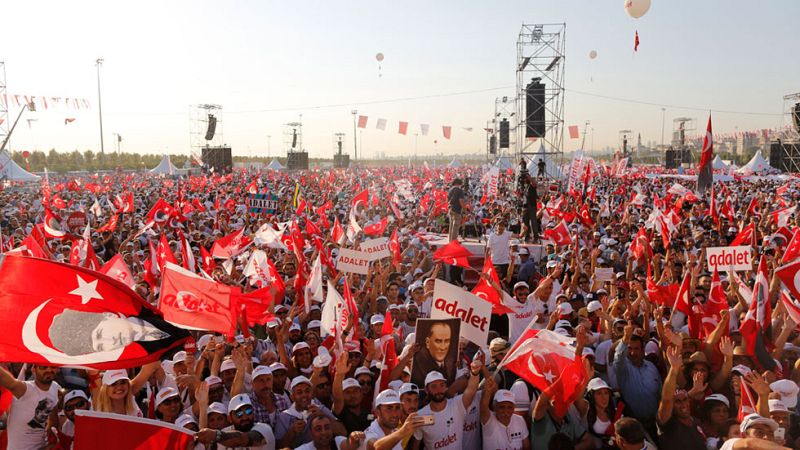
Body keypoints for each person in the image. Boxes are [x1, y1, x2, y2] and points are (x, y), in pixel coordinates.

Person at [410, 357, 483, 450]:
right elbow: (416, 445)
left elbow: (471, 390)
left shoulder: (457, 405)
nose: (439, 390)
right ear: (426, 390)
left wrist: (475, 373)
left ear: (446, 387)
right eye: (434, 386)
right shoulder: (420, 416)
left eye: (442, 385)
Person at [656, 346, 706, 450]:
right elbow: (667, 400)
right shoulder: (668, 424)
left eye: (685, 400)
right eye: (677, 401)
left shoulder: (696, 422)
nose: (683, 405)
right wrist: (674, 370)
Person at [0, 364, 60, 450]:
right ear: (33, 369)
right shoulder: (25, 389)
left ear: (57, 369)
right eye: (43, 367)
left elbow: (53, 418)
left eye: (53, 367)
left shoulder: (54, 387)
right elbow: (10, 382)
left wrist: (51, 438)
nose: (49, 370)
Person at [195, 393, 275, 450]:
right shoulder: (224, 432)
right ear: (229, 418)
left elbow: (242, 439)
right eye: (239, 413)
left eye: (248, 411)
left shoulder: (264, 429)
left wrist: (216, 435)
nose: (245, 417)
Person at [480, 377, 530, 450]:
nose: (505, 411)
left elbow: (526, 447)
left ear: (513, 408)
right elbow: (483, 408)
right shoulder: (489, 421)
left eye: (509, 407)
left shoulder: (520, 420)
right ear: (494, 407)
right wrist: (487, 391)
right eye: (502, 407)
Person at [410, 320, 456, 386]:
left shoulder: (451, 363)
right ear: (427, 342)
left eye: (447, 341)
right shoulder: (419, 362)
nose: (443, 347)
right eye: (438, 341)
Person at [720, 414, 791, 450]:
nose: (766, 437)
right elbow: (749, 443)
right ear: (744, 435)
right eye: (760, 433)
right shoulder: (729, 444)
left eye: (770, 433)